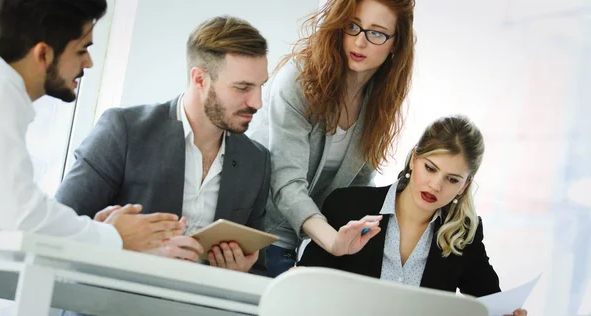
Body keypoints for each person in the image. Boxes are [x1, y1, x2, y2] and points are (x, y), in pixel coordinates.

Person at [54, 16, 270, 275]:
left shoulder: (257, 161)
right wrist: (121, 245)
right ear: (200, 79)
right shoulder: (124, 130)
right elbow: (58, 227)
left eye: (260, 87)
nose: (257, 102)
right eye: (242, 87)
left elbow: (258, 268)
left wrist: (240, 270)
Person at [0, 0, 182, 251]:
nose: (89, 63)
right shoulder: (0, 94)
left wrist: (94, 231)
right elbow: (21, 214)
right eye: (82, 50)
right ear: (43, 54)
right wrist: (112, 236)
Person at [298, 115, 528, 316]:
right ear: (414, 159)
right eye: (430, 168)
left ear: (465, 186)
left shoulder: (465, 233)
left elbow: (490, 302)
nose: (436, 186)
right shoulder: (348, 205)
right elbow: (305, 284)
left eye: (452, 179)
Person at [249, 0, 415, 277]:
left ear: (395, 44)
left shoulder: (380, 101)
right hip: (261, 236)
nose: (360, 42)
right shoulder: (299, 80)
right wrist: (333, 241)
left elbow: (357, 188)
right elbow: (286, 183)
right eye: (352, 26)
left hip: (312, 244)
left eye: (376, 33)